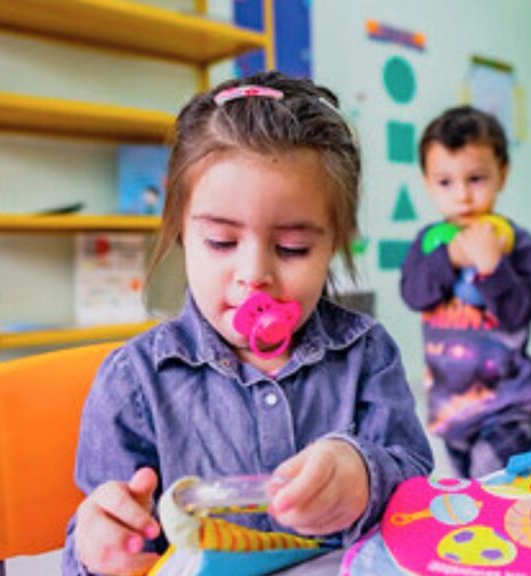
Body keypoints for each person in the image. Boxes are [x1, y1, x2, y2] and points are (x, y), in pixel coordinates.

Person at [63, 71, 433, 575]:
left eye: (292, 248)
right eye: (220, 241)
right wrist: (97, 548)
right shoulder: (134, 383)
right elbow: (100, 531)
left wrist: (367, 477)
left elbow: (418, 489)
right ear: (180, 233)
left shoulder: (368, 354)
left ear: (334, 244)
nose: (255, 276)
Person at [400, 106, 531, 479]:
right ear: (428, 182)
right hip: (450, 406)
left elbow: (519, 314)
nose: (462, 196)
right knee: (468, 494)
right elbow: (414, 294)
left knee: (495, 489)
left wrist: (492, 266)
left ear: (502, 175)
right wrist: (452, 257)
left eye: (476, 178)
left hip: (507, 404)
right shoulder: (428, 244)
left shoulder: (518, 243)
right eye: (445, 182)